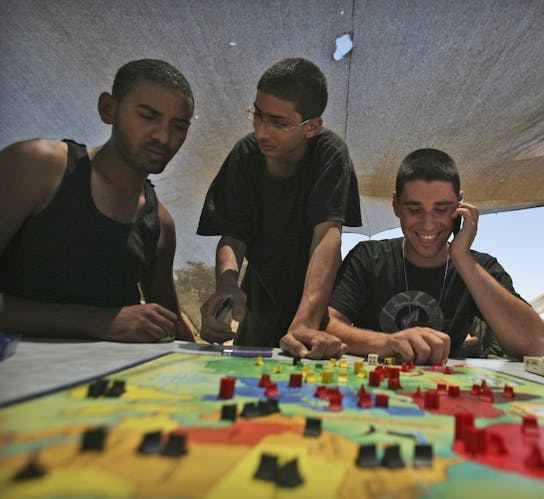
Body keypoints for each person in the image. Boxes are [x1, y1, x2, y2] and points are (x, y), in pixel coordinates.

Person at [0, 59, 195, 342]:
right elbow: (109, 323)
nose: (164, 137)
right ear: (109, 109)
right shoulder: (37, 166)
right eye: (148, 116)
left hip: (104, 384)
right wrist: (97, 321)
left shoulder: (160, 224)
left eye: (179, 126)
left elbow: (169, 325)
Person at [301, 148, 544, 364]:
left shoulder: (480, 266)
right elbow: (325, 325)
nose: (428, 224)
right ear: (396, 205)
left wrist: (461, 257)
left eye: (442, 209)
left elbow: (533, 345)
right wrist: (386, 343)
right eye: (414, 209)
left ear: (460, 206)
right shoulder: (368, 257)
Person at [197, 58, 361, 358]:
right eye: (258, 116)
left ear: (311, 127)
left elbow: (327, 235)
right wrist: (227, 284)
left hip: (315, 300)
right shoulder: (245, 155)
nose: (262, 132)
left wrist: (306, 322)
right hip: (258, 301)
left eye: (278, 123)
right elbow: (233, 235)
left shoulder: (330, 154)